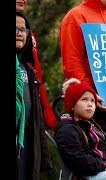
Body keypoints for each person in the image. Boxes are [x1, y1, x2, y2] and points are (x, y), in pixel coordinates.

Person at [58, 0, 106, 168]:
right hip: (93, 107)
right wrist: (91, 96)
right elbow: (72, 64)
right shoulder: (75, 16)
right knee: (95, 166)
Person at [16, 11, 53, 180]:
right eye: (15, 29)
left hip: (25, 147)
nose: (19, 33)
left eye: (23, 30)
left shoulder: (28, 71)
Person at [16, 0, 57, 131]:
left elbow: (36, 78)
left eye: (22, 30)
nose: (19, 33)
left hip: (28, 122)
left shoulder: (28, 35)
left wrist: (46, 115)